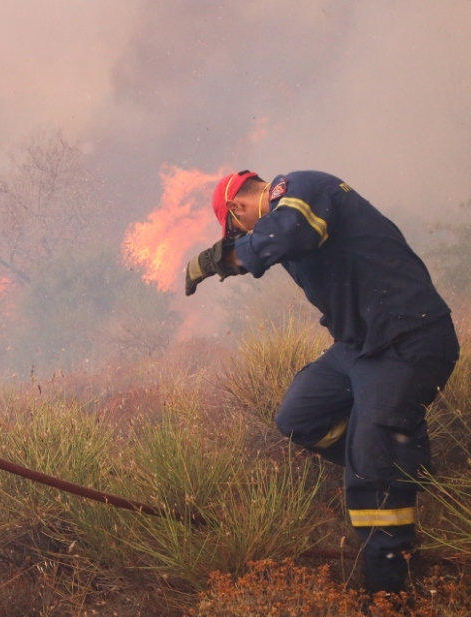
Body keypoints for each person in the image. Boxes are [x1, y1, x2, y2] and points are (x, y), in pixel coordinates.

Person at [185, 170, 460, 593]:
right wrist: (233, 257)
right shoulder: (283, 220)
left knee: (371, 476)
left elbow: (289, 233)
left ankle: (390, 597)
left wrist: (218, 259)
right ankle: (401, 463)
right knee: (300, 416)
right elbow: (276, 242)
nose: (242, 237)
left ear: (238, 208)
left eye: (237, 230)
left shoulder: (301, 189)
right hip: (358, 346)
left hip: (408, 340)